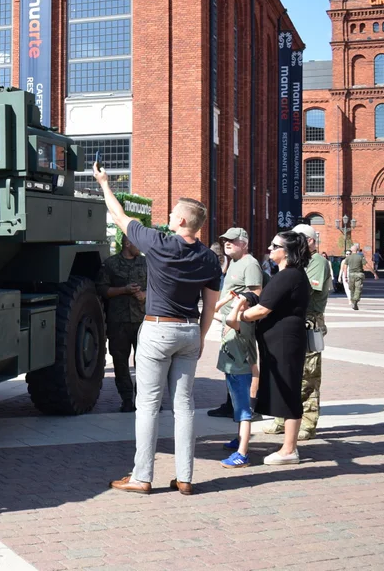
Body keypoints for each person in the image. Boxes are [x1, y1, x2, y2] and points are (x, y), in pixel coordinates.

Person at [93, 162, 221, 495]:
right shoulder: (209, 258)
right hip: (190, 330)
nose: (170, 215)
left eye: (173, 213)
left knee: (148, 404)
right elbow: (210, 304)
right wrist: (202, 336)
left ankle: (142, 476)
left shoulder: (159, 244)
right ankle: (185, 477)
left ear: (180, 221)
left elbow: (119, 216)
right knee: (184, 406)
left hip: (157, 328)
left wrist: (104, 183)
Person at [227, 231, 311, 465]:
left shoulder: (289, 275)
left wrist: (238, 315)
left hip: (285, 342)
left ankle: (289, 449)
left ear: (287, 252)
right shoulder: (286, 275)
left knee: (288, 389)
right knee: (284, 388)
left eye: (275, 245)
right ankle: (287, 446)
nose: (270, 248)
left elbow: (263, 309)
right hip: (281, 341)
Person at [261, 224, 332, 441]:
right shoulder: (294, 266)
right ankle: (282, 419)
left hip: (309, 321)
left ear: (309, 241)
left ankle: (308, 423)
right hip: (294, 323)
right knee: (287, 374)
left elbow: (309, 291)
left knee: (307, 377)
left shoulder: (316, 261)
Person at [208, 228, 263, 425]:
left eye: (232, 240)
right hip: (229, 322)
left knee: (245, 364)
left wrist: (235, 321)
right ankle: (231, 403)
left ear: (244, 243)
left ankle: (249, 406)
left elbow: (255, 293)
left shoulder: (250, 264)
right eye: (224, 241)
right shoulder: (234, 262)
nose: (227, 243)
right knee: (231, 364)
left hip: (240, 324)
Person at [95, 234, 147, 413]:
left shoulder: (146, 263)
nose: (140, 247)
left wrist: (145, 295)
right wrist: (123, 290)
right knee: (120, 362)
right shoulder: (111, 264)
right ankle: (126, 399)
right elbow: (102, 289)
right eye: (137, 243)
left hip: (142, 321)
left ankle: (144, 399)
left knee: (146, 363)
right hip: (118, 321)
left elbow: (159, 287)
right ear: (127, 243)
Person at [343, 243, 377, 310]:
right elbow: (367, 265)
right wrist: (374, 273)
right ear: (358, 250)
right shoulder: (360, 257)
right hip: (359, 274)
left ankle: (353, 301)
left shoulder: (348, 258)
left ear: (351, 250)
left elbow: (345, 267)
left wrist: (345, 277)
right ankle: (355, 301)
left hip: (351, 275)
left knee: (352, 289)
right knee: (358, 289)